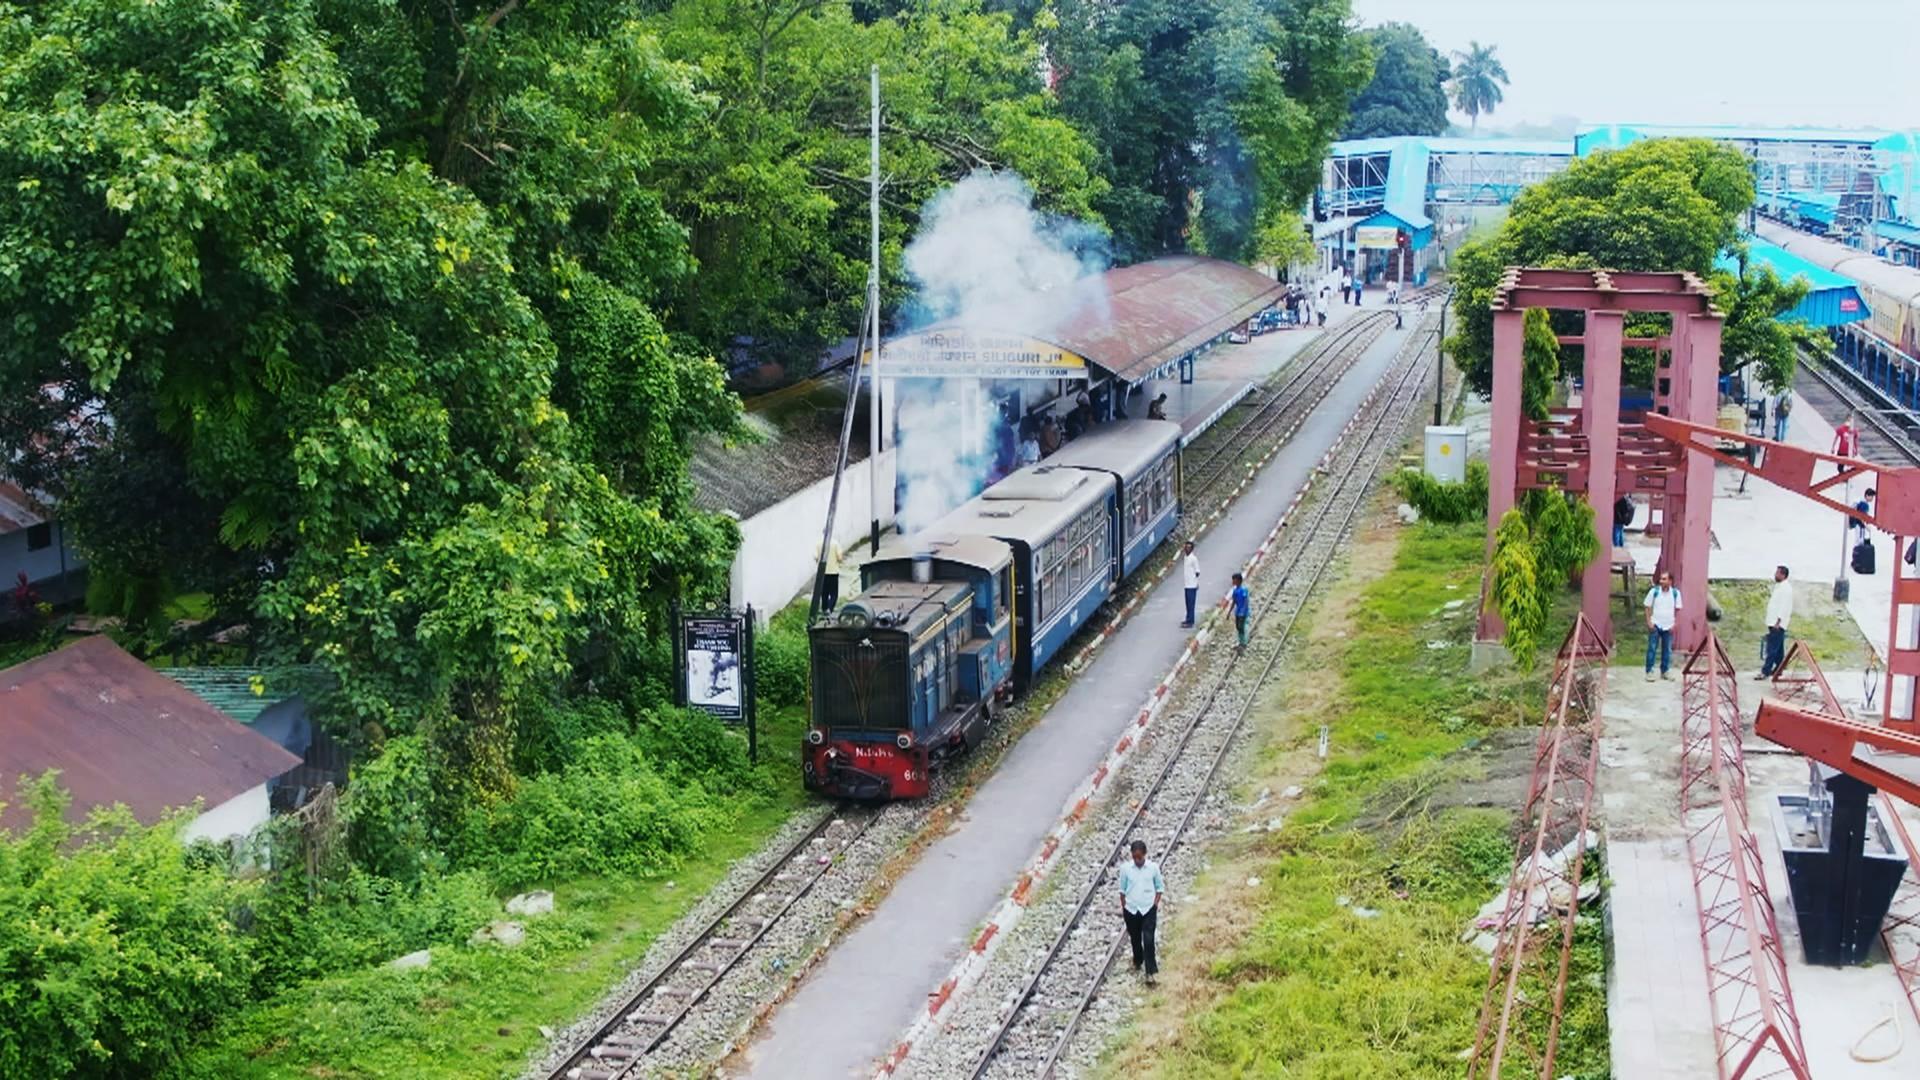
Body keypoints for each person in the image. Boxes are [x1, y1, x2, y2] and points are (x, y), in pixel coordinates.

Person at [1117, 839, 1165, 984]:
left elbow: (1159, 888)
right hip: (1131, 909)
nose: (1137, 860)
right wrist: (1124, 906)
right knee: (1135, 939)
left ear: (1145, 855)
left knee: (1148, 940)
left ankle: (1150, 971)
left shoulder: (1153, 868)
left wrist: (1155, 905)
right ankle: (1138, 960)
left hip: (1148, 909)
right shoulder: (1125, 869)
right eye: (1135, 857)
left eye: (1140, 857)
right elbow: (1122, 890)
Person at [1643, 570, 1680, 681]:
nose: (1661, 581)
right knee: (1652, 648)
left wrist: (1675, 624)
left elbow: (1678, 610)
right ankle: (1649, 671)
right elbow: (1647, 606)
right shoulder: (1654, 592)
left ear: (1670, 581)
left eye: (1664, 579)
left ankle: (1665, 671)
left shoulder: (1675, 593)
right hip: (1656, 624)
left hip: (1668, 626)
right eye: (1661, 579)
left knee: (1667, 649)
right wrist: (1649, 622)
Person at [1758, 565, 1793, 679]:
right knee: (1778, 649)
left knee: (1771, 648)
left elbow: (1784, 607)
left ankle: (1765, 671)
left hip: (1777, 624)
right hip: (1773, 622)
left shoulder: (1785, 589)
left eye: (1777, 573)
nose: (1775, 575)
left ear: (1783, 575)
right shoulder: (1780, 587)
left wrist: (1778, 622)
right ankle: (1779, 669)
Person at [1180, 540, 1200, 628]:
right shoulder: (1185, 557)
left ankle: (1190, 621)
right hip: (1186, 585)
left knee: (1191, 604)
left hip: (1192, 585)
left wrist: (1195, 582)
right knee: (1187, 603)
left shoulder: (1193, 559)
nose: (1187, 549)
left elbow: (1197, 572)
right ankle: (1188, 619)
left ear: (1192, 549)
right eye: (1186, 547)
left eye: (1189, 548)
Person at [1231, 572, 1250, 648]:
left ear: (1238, 581)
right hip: (1238, 612)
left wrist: (1245, 610)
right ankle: (1241, 641)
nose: (1232, 581)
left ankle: (1243, 642)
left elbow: (1246, 600)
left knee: (1241, 626)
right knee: (1238, 627)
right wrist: (1229, 612)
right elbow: (1234, 601)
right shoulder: (1235, 591)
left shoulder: (1243, 590)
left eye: (1234, 580)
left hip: (1243, 612)